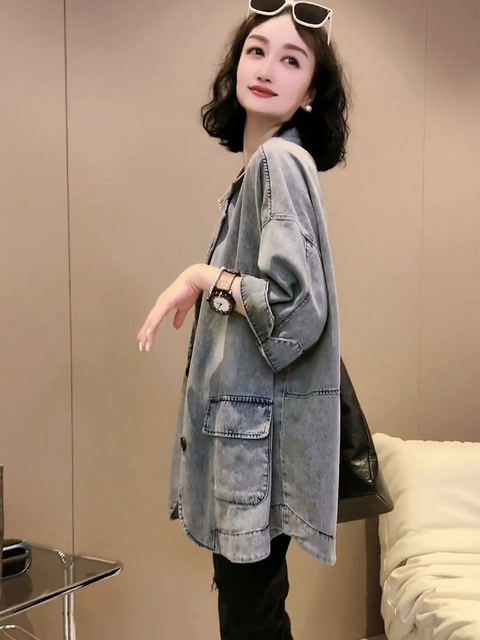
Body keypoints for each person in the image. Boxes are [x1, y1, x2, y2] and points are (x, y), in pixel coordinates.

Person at [137, 1, 351, 637]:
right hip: (250, 444)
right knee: (255, 615)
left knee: (251, 622)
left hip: (254, 452)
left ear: (310, 92)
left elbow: (297, 309)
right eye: (256, 51)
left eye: (291, 60)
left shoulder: (277, 164)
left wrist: (204, 277)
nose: (266, 68)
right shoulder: (262, 167)